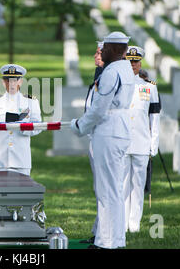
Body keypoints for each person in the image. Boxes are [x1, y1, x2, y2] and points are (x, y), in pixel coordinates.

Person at [70, 31, 135, 249]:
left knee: (106, 189)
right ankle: (116, 239)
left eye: (105, 48)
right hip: (120, 129)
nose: (101, 51)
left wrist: (79, 126)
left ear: (116, 50)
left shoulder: (111, 73)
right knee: (114, 188)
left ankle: (105, 241)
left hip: (108, 130)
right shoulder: (126, 69)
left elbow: (98, 109)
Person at [0, 64, 42, 177]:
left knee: (21, 193)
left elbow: (38, 127)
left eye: (14, 80)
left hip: (21, 158)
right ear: (3, 82)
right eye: (7, 80)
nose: (11, 83)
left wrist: (23, 127)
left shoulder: (31, 101)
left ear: (20, 81)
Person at [123, 46, 160, 233]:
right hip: (122, 142)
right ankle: (122, 222)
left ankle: (134, 224)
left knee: (138, 185)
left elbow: (154, 117)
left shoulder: (149, 86)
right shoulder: (118, 84)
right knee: (122, 185)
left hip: (141, 142)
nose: (132, 65)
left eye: (136, 61)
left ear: (140, 63)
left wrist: (154, 144)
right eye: (129, 61)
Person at [80, 41, 104, 244]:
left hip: (105, 138)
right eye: (95, 52)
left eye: (99, 53)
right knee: (98, 187)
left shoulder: (110, 78)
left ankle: (104, 233)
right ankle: (99, 230)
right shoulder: (99, 77)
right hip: (95, 138)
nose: (95, 56)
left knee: (105, 187)